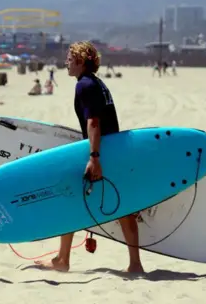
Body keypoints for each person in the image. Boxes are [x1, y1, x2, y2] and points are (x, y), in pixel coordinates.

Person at [35, 41, 144, 274]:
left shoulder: (84, 85)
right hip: (113, 148)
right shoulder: (97, 83)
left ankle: (62, 260)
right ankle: (135, 264)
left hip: (101, 150)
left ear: (81, 61)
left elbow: (93, 121)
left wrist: (94, 157)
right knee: (125, 208)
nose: (66, 63)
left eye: (69, 58)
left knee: (73, 199)